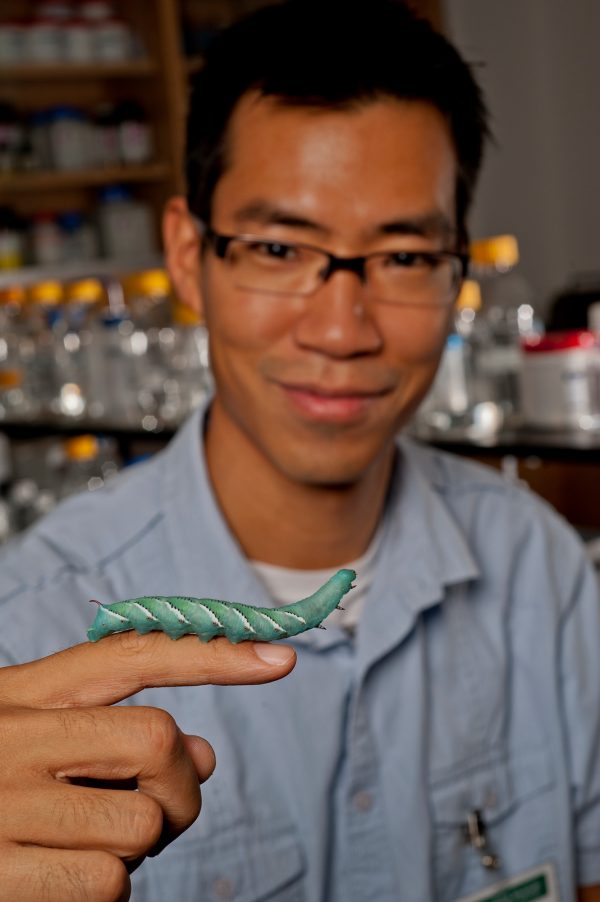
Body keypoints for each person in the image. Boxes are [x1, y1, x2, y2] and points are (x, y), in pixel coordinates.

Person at [1, 2, 599, 900]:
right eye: (279, 247)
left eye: (403, 257)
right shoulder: (28, 626)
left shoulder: (541, 569)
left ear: (458, 272)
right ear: (189, 256)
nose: (341, 328)